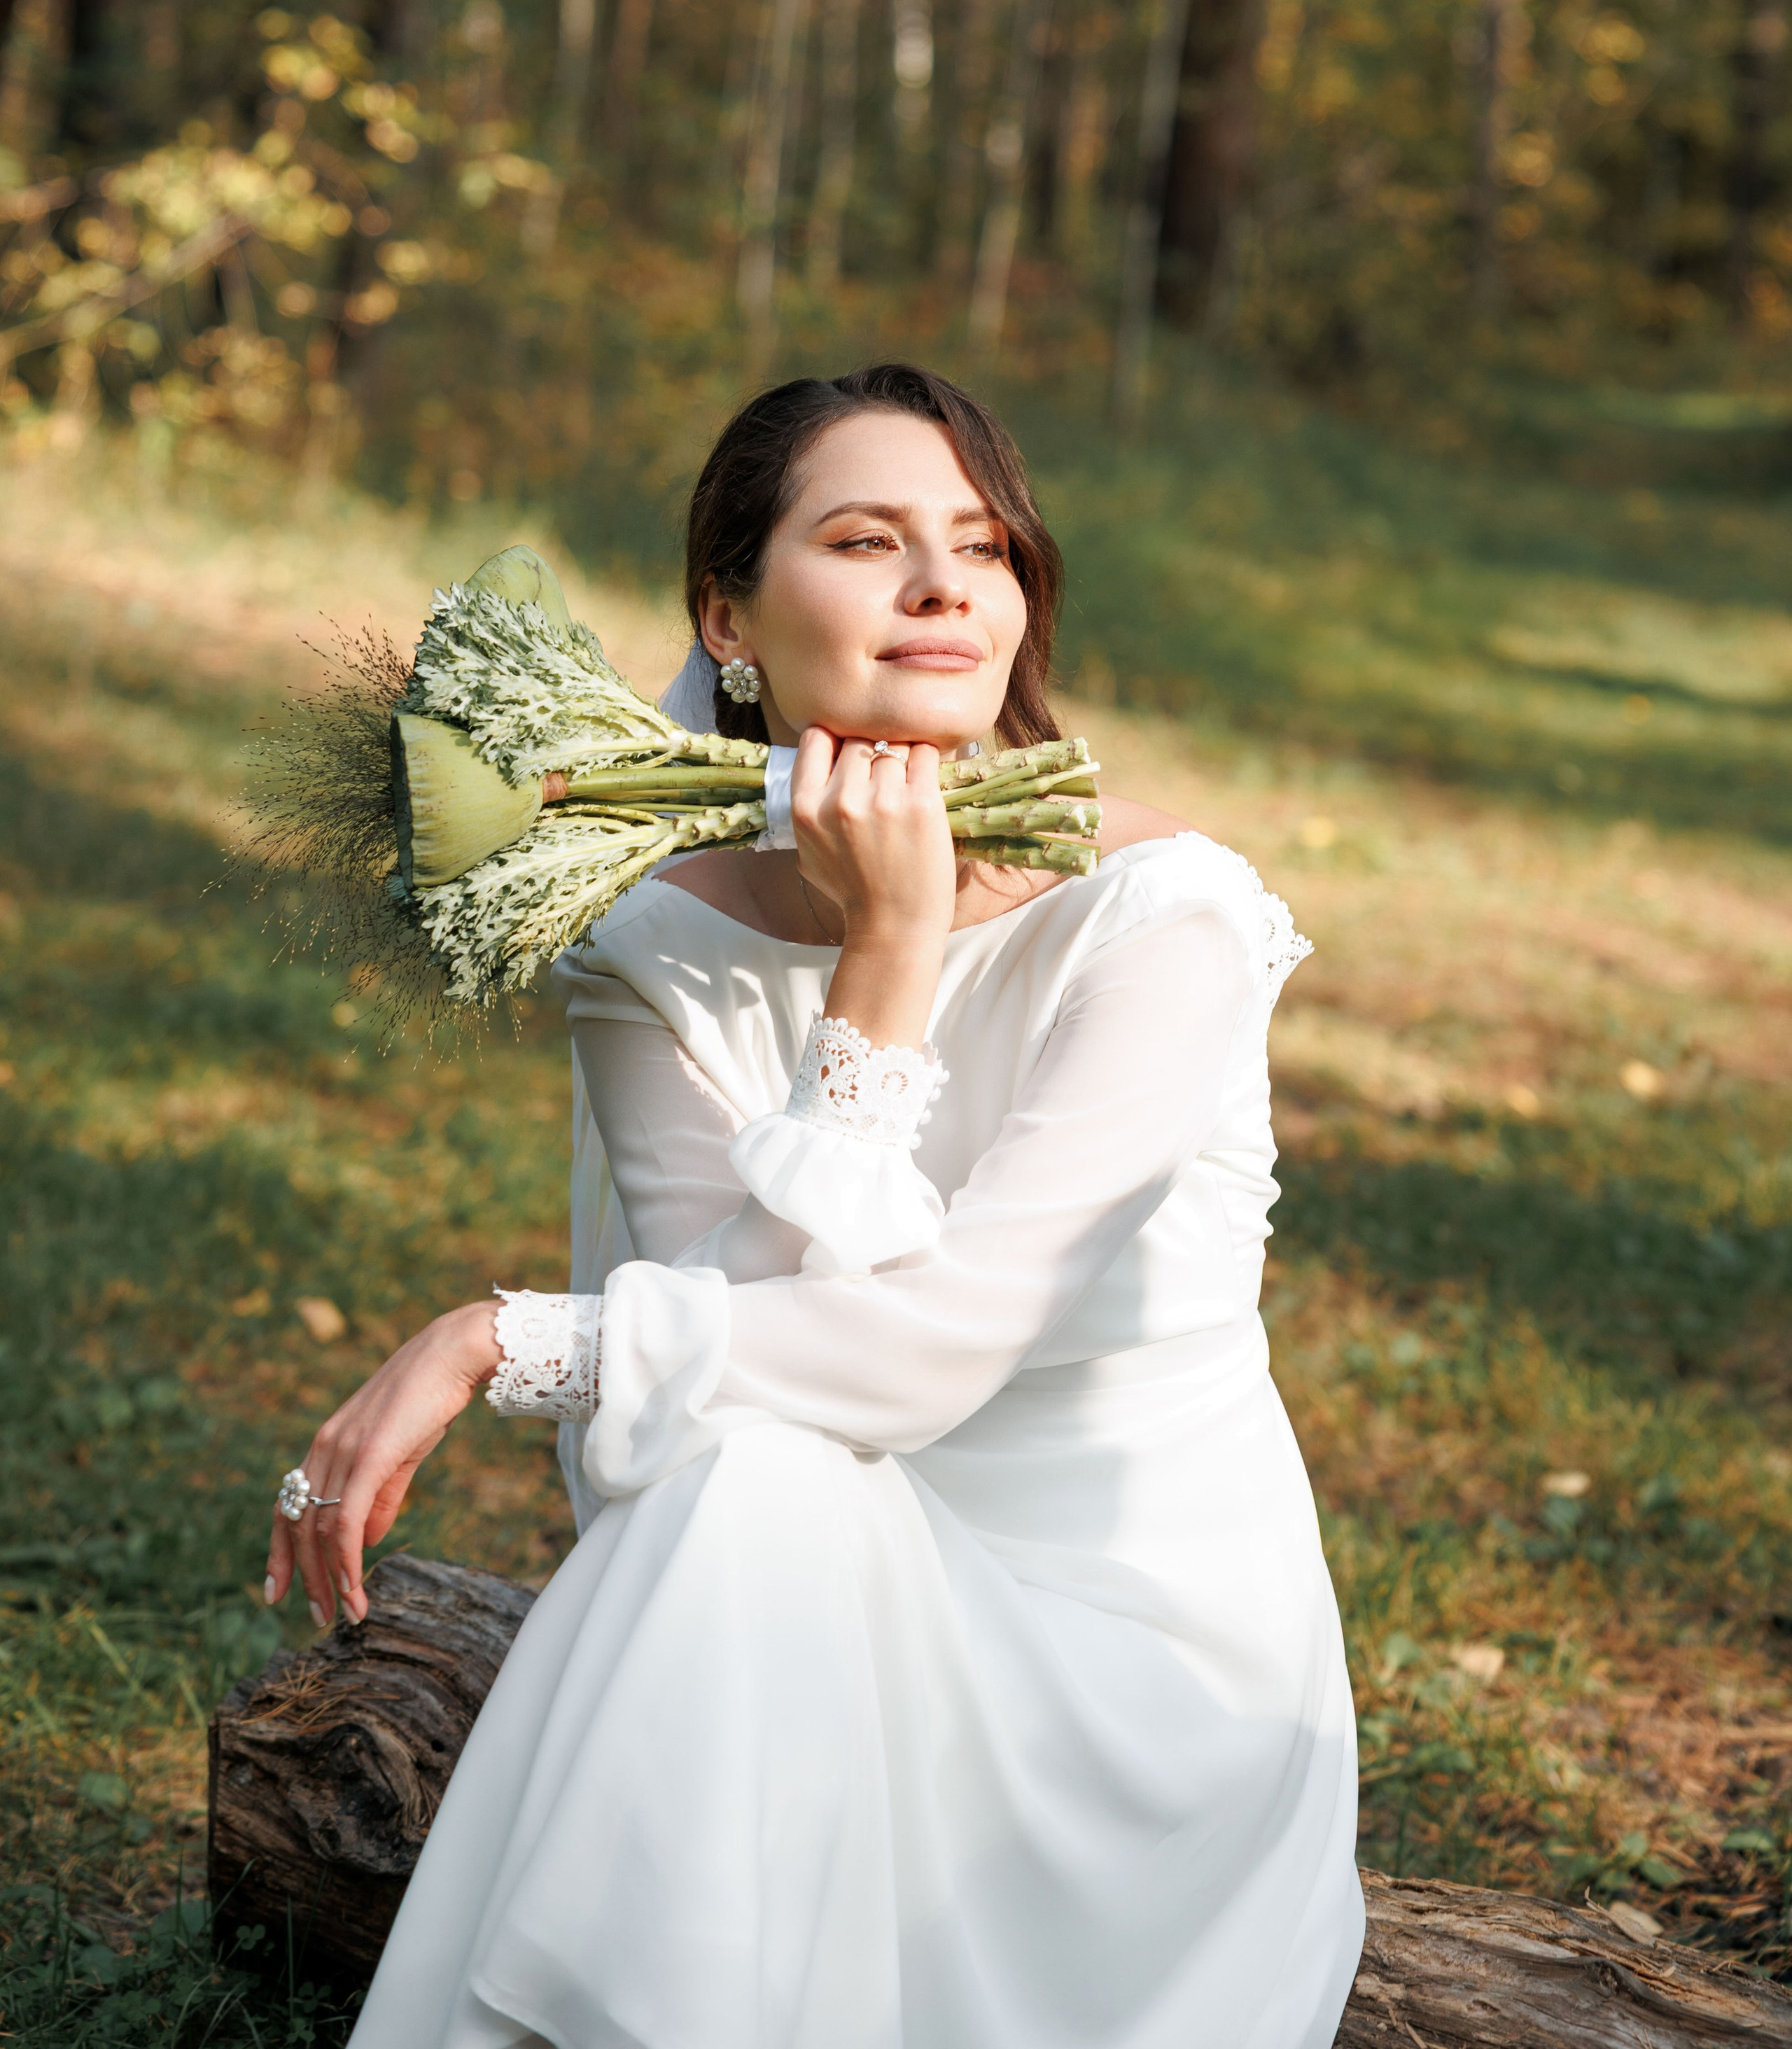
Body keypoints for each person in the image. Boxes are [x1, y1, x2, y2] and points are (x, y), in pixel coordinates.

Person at [266, 362, 1364, 2049]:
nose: (942, 586)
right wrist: (885, 964)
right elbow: (726, 1320)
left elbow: (928, 1357)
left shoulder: (1165, 917)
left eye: (981, 547)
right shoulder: (647, 940)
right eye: (866, 540)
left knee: (750, 1476)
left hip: (1138, 1659)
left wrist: (503, 1338)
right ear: (728, 617)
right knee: (748, 1479)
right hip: (792, 1566)